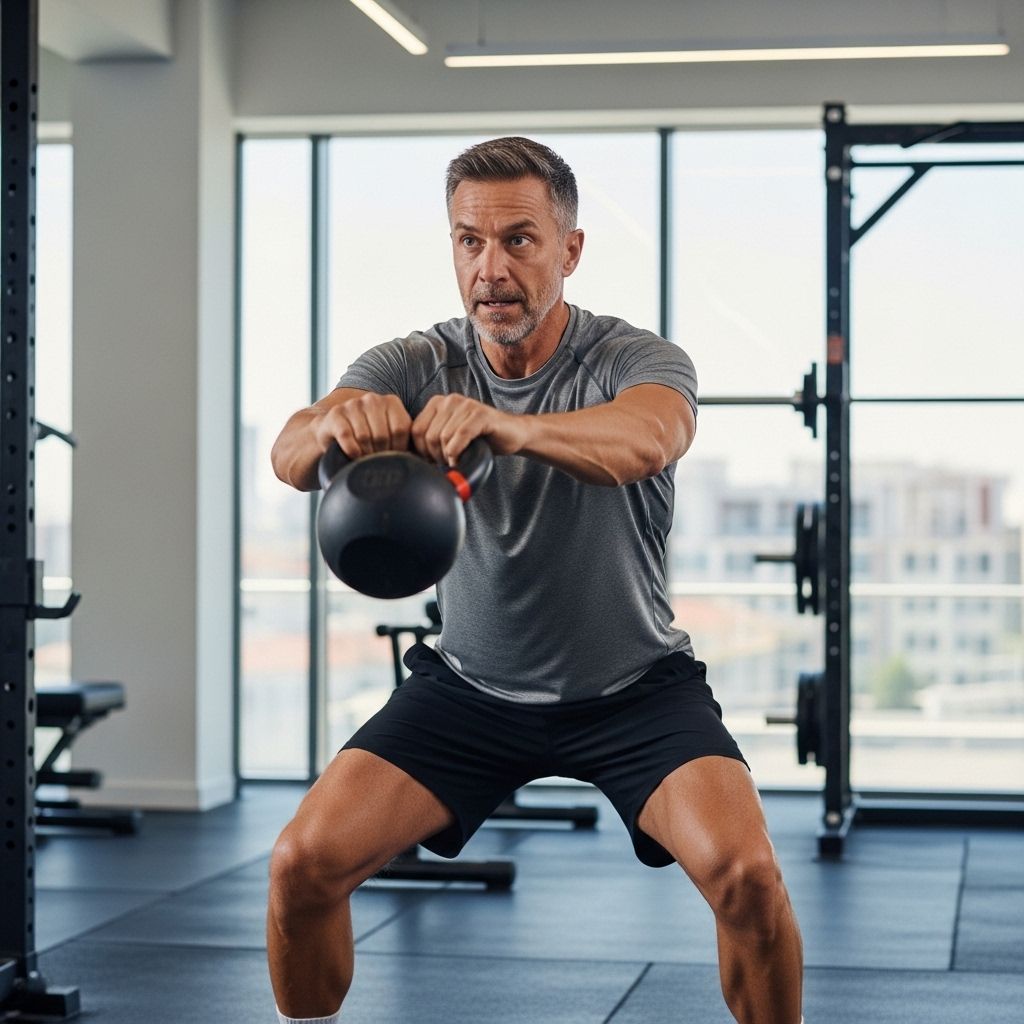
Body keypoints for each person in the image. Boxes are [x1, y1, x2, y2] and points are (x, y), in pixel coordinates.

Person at [267, 136, 804, 1024]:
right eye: (469, 242)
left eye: (519, 239)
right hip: (469, 693)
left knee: (747, 880)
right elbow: (290, 453)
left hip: (633, 691)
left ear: (569, 249)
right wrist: (336, 423)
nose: (491, 268)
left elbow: (646, 440)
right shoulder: (415, 361)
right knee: (300, 868)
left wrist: (508, 429)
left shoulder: (634, 357)